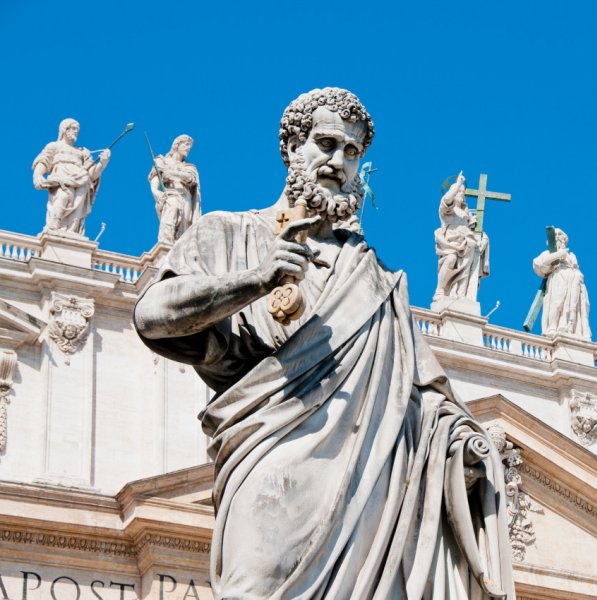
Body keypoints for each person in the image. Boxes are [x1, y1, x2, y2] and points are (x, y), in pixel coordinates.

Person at [133, 88, 514, 600]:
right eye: (326, 144)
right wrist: (253, 281)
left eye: (352, 152)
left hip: (369, 493)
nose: (339, 162)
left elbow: (424, 398)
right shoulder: (231, 231)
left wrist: (460, 448)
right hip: (269, 467)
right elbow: (152, 314)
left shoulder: (377, 279)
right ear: (292, 148)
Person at [32, 119, 110, 235]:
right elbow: (44, 161)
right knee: (62, 197)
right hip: (61, 179)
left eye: (77, 129)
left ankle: (72, 233)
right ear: (65, 129)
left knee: (77, 209)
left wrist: (103, 163)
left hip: (81, 182)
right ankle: (54, 227)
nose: (76, 132)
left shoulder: (83, 152)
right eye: (73, 129)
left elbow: (91, 174)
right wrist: (38, 175)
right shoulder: (54, 146)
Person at [433, 173, 489, 306]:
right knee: (451, 259)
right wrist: (457, 184)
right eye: (459, 191)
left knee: (465, 269)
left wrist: (483, 238)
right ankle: (440, 289)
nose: (461, 194)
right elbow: (447, 199)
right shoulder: (447, 209)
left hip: (467, 243)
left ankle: (460, 294)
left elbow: (476, 230)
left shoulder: (466, 213)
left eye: (463, 192)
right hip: (451, 242)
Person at [532, 228, 591, 339]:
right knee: (557, 302)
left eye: (559, 236)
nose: (557, 239)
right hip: (559, 277)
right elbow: (538, 263)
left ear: (563, 240)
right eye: (555, 237)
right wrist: (558, 255)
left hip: (574, 281)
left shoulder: (571, 256)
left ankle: (569, 328)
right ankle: (552, 328)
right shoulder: (549, 253)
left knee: (573, 307)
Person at [149, 134, 201, 244]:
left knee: (185, 228)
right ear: (177, 145)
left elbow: (191, 178)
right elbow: (155, 178)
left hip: (186, 198)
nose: (188, 148)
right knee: (171, 211)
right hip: (171, 194)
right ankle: (165, 246)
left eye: (190, 147)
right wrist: (155, 192)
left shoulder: (189, 166)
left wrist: (172, 173)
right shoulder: (162, 160)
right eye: (186, 145)